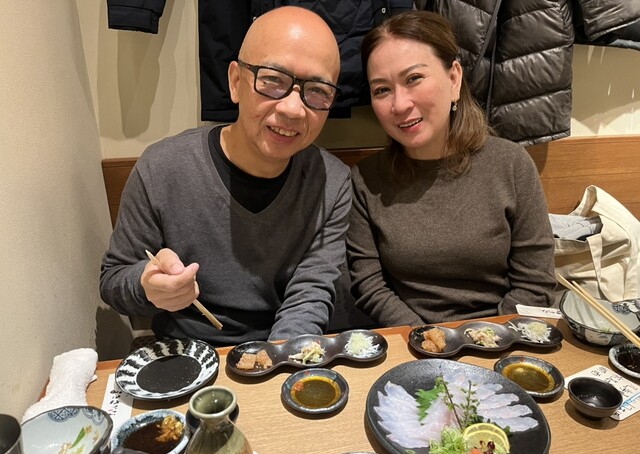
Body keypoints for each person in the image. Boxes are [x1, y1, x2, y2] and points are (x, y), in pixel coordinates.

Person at [100, 6, 351, 346]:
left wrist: (272, 361)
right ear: (235, 82)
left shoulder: (332, 182)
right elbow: (114, 280)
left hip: (284, 349)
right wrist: (148, 285)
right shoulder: (162, 168)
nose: (293, 109)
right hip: (187, 354)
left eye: (318, 90)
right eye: (272, 80)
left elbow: (310, 295)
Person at [347, 10, 557, 326]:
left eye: (413, 79)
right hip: (410, 340)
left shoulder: (511, 164)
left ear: (454, 78)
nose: (399, 104)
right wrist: (428, 339)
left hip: (505, 336)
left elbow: (535, 283)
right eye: (382, 90)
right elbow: (370, 286)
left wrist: (488, 338)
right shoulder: (366, 179)